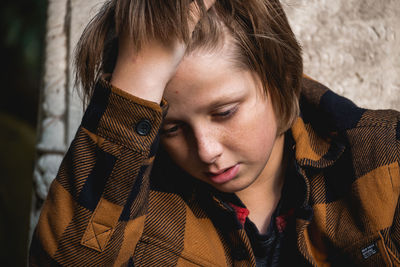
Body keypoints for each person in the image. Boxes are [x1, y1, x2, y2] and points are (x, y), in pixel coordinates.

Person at [30, 0, 400, 266]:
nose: (206, 151)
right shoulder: (134, 212)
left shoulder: (385, 157)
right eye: (171, 127)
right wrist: (137, 80)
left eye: (224, 113)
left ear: (280, 80)